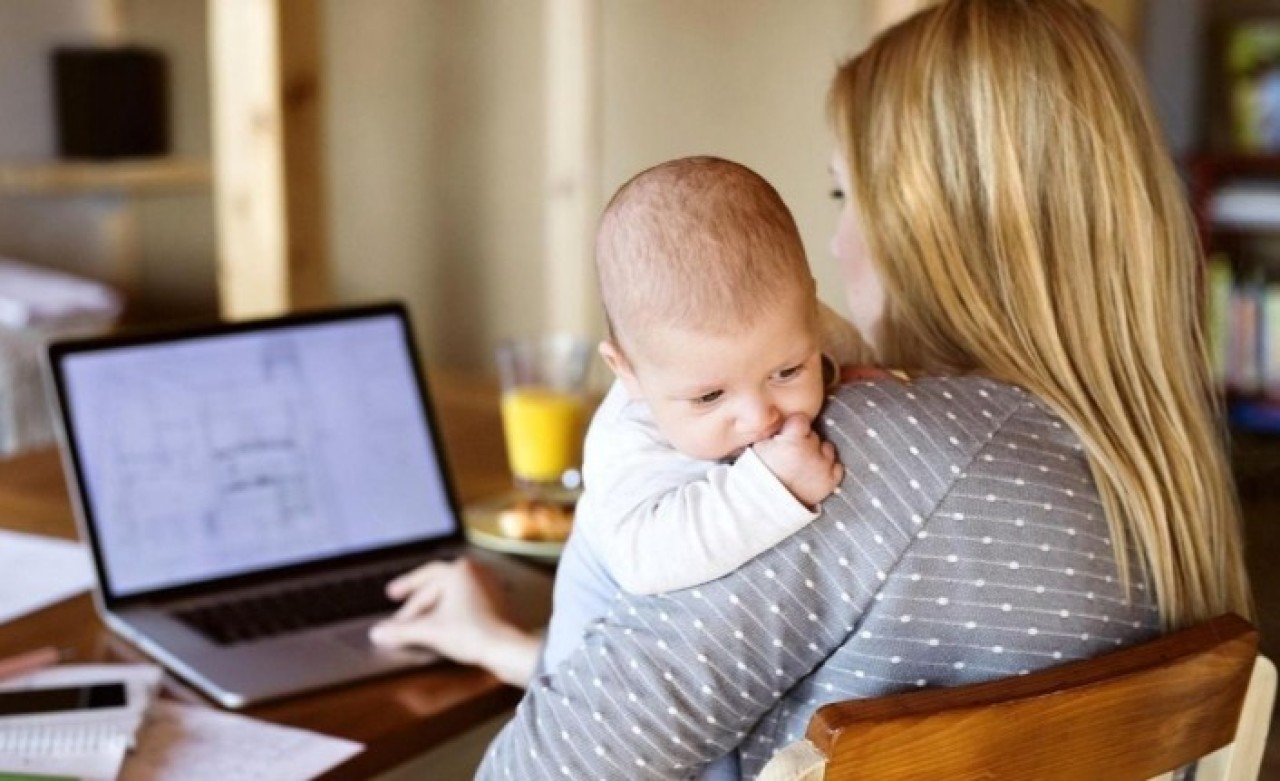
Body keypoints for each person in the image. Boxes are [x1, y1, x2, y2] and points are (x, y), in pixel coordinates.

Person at [390, 1, 1255, 777]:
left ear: (936, 228)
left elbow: (542, 772)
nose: (834, 249)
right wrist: (515, 646)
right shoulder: (1158, 472)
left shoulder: (869, 456)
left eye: (846, 194)